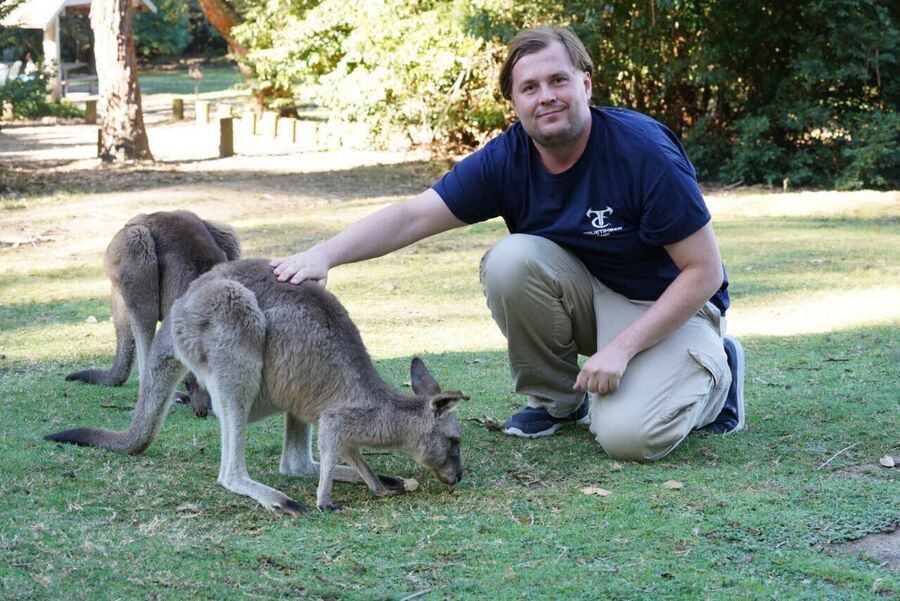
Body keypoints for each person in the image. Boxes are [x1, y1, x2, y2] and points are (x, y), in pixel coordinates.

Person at [271, 25, 745, 462]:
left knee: (629, 439)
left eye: (558, 81)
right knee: (511, 260)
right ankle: (559, 404)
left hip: (666, 303)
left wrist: (621, 349)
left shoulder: (642, 151)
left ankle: (715, 376)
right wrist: (323, 254)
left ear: (586, 83)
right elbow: (412, 217)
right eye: (530, 88)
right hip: (589, 302)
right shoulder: (509, 158)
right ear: (514, 102)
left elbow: (704, 272)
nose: (547, 98)